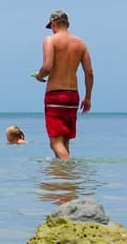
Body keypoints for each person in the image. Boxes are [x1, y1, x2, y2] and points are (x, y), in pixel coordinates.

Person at [33, 10, 94, 160]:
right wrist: (88, 97)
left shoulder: (50, 40)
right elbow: (89, 73)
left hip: (55, 95)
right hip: (73, 97)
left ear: (53, 24)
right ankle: (65, 175)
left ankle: (71, 168)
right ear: (68, 24)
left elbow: (47, 67)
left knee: (55, 143)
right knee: (64, 142)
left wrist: (39, 75)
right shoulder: (81, 44)